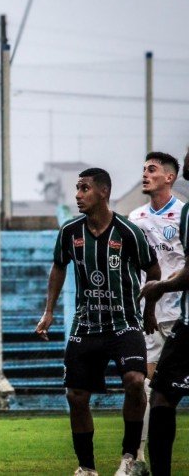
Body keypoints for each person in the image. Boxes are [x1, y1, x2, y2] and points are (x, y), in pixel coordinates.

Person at [35, 168, 159, 476]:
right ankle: (86, 468)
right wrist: (48, 311)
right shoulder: (69, 232)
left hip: (124, 323)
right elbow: (58, 268)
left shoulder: (129, 232)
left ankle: (130, 457)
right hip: (86, 325)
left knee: (134, 380)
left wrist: (149, 310)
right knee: (75, 395)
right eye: (77, 189)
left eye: (84, 188)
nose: (78, 195)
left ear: (103, 192)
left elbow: (154, 272)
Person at [127, 151, 184, 463]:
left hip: (180, 316)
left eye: (151, 170)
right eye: (143, 169)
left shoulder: (184, 214)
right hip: (148, 316)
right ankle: (137, 457)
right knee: (146, 386)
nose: (145, 175)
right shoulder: (135, 219)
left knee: (166, 393)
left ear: (169, 177)